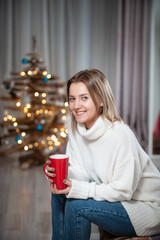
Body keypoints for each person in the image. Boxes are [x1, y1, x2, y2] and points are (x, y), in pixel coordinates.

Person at [45, 69, 160, 240]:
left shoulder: (119, 134)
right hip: (117, 201)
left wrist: (79, 189)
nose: (76, 106)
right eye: (72, 98)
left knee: (77, 207)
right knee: (59, 193)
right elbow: (81, 171)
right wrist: (60, 175)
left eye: (84, 98)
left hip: (143, 208)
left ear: (100, 100)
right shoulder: (75, 126)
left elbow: (122, 191)